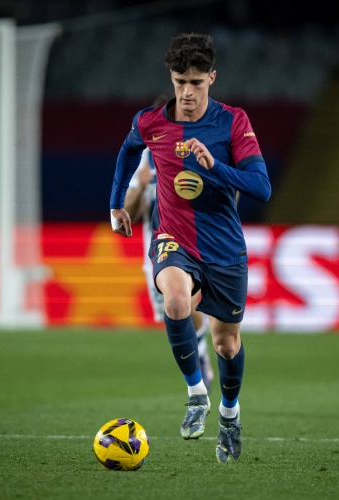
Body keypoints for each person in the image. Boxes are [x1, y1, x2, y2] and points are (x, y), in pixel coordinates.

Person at [109, 32, 271, 463]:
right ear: (171, 77)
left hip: (223, 246)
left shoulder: (232, 122)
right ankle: (196, 393)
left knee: (226, 345)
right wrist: (115, 203)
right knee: (176, 300)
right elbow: (128, 152)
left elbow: (261, 187)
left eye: (196, 83)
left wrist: (214, 167)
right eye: (180, 82)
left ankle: (230, 415)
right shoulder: (150, 122)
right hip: (173, 238)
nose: (186, 92)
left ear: (212, 78)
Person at [123, 91, 215, 392]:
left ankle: (199, 365)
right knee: (174, 311)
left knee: (186, 299)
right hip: (157, 249)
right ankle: (199, 351)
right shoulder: (142, 158)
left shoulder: (199, 149)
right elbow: (129, 215)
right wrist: (141, 187)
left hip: (194, 242)